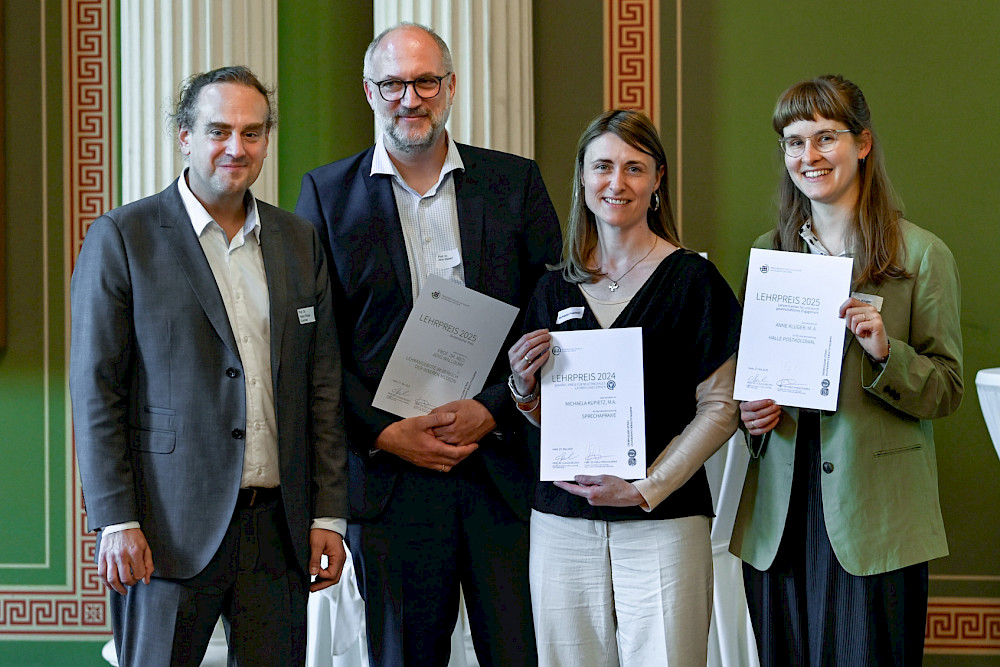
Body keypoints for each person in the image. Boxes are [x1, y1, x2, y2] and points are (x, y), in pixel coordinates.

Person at [294, 22, 562, 667]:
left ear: (449, 88)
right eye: (393, 84)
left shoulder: (514, 183)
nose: (409, 99)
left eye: (425, 82)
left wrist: (496, 406)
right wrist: (383, 432)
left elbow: (553, 313)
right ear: (369, 91)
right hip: (391, 477)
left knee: (521, 652)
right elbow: (313, 346)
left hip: (502, 467)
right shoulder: (326, 196)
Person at [69, 66, 349, 666]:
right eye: (218, 130)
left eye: (252, 133)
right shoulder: (125, 236)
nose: (236, 148)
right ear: (184, 136)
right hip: (167, 530)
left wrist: (328, 513)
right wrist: (115, 519)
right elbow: (96, 391)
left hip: (280, 529)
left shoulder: (298, 240)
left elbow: (321, 388)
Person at [730, 75, 964, 666]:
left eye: (825, 137)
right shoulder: (769, 253)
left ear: (862, 144)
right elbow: (746, 380)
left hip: (875, 517)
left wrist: (888, 353)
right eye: (793, 141)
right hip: (780, 516)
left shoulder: (921, 256)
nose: (808, 156)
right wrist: (749, 412)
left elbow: (948, 390)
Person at [508, 109, 742, 665]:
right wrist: (522, 388)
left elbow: (722, 406)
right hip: (563, 520)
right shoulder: (552, 286)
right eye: (603, 167)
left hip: (664, 520)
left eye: (634, 168)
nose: (617, 183)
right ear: (583, 179)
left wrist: (647, 486)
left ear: (658, 180)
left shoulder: (693, 281)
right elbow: (549, 414)